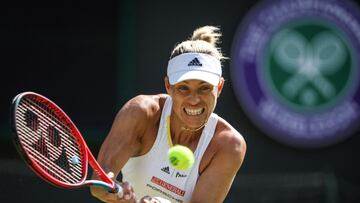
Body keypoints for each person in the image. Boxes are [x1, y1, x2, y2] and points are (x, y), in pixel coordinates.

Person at [90, 25, 246, 203]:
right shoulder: (140, 113)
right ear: (168, 86)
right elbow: (99, 183)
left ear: (219, 88)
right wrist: (114, 192)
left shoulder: (228, 145)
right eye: (183, 88)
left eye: (204, 88)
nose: (194, 100)